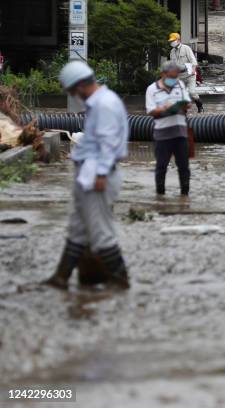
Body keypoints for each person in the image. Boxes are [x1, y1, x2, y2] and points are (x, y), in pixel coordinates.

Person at [44, 61, 129, 290]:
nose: (73, 95)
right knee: (78, 228)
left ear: (80, 85)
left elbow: (109, 143)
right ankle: (60, 278)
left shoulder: (105, 104)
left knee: (100, 231)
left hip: (98, 174)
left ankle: (120, 279)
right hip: (88, 173)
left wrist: (101, 174)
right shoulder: (98, 103)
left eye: (72, 91)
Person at [145, 60, 192, 197]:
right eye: (171, 76)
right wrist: (164, 108)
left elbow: (187, 104)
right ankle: (160, 196)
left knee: (184, 167)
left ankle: (185, 195)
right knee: (161, 167)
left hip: (181, 133)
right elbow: (150, 111)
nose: (174, 79)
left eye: (176, 76)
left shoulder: (180, 85)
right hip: (162, 135)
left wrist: (182, 105)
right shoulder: (152, 89)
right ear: (163, 74)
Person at [168, 32, 203, 113]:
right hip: (180, 76)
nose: (171, 42)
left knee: (191, 92)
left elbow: (193, 61)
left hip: (190, 75)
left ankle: (199, 105)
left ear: (178, 40)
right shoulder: (172, 52)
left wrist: (193, 69)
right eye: (171, 41)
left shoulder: (186, 48)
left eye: (173, 40)